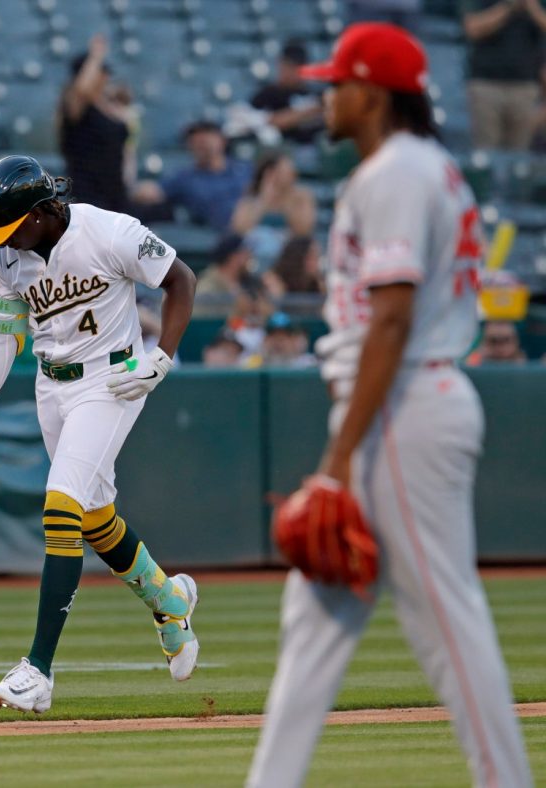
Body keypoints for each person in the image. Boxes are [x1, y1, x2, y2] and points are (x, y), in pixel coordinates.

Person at [247, 24, 532, 787]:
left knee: (445, 618)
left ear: (370, 93)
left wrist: (339, 462)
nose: (326, 96)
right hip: (394, 402)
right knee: (313, 621)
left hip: (405, 404)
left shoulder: (397, 173)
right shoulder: (417, 167)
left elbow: (393, 318)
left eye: (336, 84)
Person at [0, 155, 200, 713]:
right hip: (52, 387)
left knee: (61, 507)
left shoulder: (109, 230)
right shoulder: (5, 255)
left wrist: (162, 356)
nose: (1, 241)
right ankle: (169, 600)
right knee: (94, 518)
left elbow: (181, 280)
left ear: (45, 211)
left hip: (112, 381)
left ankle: (38, 671)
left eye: (11, 226)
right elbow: (2, 338)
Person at [58, 35, 132, 212]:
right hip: (88, 191)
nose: (104, 77)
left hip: (115, 190)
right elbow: (82, 90)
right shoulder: (76, 107)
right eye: (99, 72)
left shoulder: (111, 105)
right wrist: (96, 55)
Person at [134, 121, 251, 230]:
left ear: (223, 141)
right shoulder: (185, 177)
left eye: (205, 141)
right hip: (216, 233)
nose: (201, 146)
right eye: (196, 143)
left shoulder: (245, 169)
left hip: (254, 226)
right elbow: (151, 191)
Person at [462, 0, 546, 150]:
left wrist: (532, 8)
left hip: (525, 87)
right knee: (486, 153)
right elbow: (472, 28)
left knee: (519, 159)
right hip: (486, 84)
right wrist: (509, 6)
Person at [231, 152, 316, 271]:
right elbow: (239, 230)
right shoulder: (250, 199)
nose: (293, 175)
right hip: (253, 258)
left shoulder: (302, 197)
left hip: (290, 259)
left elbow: (303, 231)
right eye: (286, 171)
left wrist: (286, 200)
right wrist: (264, 199)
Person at [250, 40, 325, 144]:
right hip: (282, 149)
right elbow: (266, 122)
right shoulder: (269, 94)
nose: (287, 72)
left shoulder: (315, 93)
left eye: (294, 68)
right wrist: (310, 110)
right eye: (286, 66)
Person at [194, 233, 265, 316]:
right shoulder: (207, 285)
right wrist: (238, 311)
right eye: (246, 253)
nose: (250, 256)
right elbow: (202, 319)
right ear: (233, 257)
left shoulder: (251, 282)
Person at [263, 235, 323, 300]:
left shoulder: (317, 281)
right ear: (297, 258)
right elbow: (277, 305)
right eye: (312, 257)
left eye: (318, 256)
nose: (317, 262)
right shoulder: (274, 278)